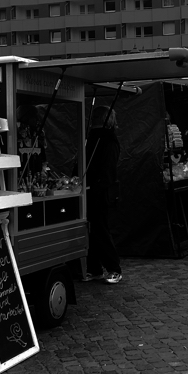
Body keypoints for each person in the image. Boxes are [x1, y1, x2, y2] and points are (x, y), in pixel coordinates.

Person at [84, 105, 123, 284]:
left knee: (99, 229)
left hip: (99, 190)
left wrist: (97, 185)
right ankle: (94, 268)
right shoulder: (96, 138)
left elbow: (108, 168)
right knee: (92, 230)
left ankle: (113, 267)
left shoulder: (106, 139)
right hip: (94, 188)